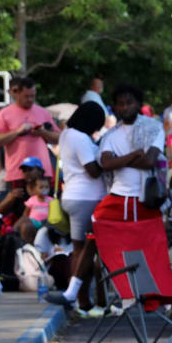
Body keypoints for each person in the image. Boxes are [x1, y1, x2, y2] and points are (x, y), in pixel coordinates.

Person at [44, 102, 108, 314]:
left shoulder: (66, 134)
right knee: (86, 251)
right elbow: (93, 170)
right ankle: (82, 300)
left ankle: (82, 300)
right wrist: (110, 161)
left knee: (80, 250)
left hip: (74, 195)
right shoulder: (80, 138)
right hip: (87, 198)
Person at [95, 84, 166, 222]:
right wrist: (134, 155)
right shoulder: (110, 135)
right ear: (115, 107)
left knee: (147, 242)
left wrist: (118, 161)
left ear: (138, 104)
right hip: (117, 196)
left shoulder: (154, 128)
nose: (125, 107)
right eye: (120, 104)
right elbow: (106, 164)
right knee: (100, 228)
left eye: (129, 103)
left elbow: (148, 161)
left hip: (146, 198)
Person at [0, 76, 59, 187]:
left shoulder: (43, 112)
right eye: (26, 96)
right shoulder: (4, 113)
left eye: (33, 96)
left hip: (42, 173)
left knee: (41, 204)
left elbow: (59, 138)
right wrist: (17, 132)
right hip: (17, 174)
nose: (30, 99)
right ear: (18, 94)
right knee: (18, 204)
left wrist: (43, 132)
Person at [0, 156, 47, 242]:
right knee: (26, 227)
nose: (27, 173)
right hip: (23, 232)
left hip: (45, 226)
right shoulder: (19, 192)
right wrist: (9, 199)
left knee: (26, 226)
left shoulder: (48, 190)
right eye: (24, 170)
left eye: (30, 169)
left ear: (40, 171)